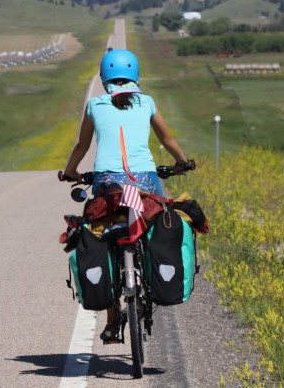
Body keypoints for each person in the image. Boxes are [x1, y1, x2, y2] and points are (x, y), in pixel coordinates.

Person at [62, 48, 190, 343]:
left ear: (104, 78)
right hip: (145, 184)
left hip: (108, 187)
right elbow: (167, 139)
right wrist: (183, 163)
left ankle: (111, 317)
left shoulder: (94, 105)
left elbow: (81, 146)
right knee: (150, 226)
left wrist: (71, 171)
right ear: (135, 76)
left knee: (103, 239)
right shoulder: (147, 103)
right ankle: (150, 277)